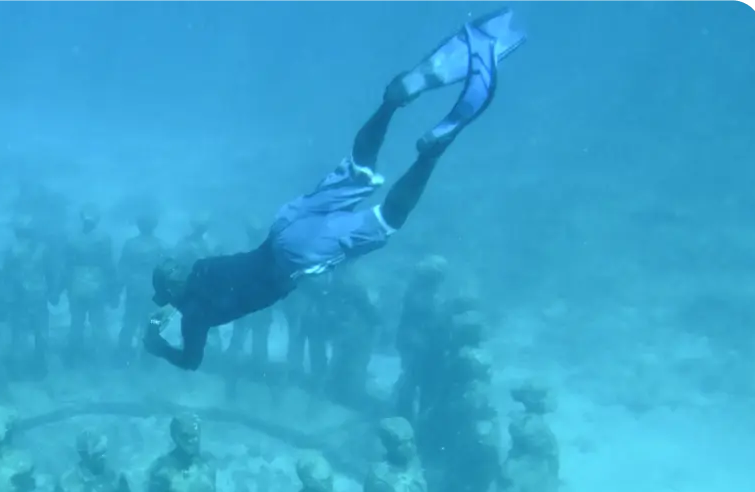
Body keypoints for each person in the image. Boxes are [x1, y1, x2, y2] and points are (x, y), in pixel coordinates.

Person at [144, 9, 526, 371]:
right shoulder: (199, 273)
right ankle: (391, 103)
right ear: (174, 281)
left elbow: (191, 360)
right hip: (284, 226)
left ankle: (430, 155)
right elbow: (200, 289)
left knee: (387, 220)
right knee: (357, 169)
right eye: (171, 268)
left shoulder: (195, 314)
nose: (176, 263)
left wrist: (157, 343)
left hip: (293, 257)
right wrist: (172, 305)